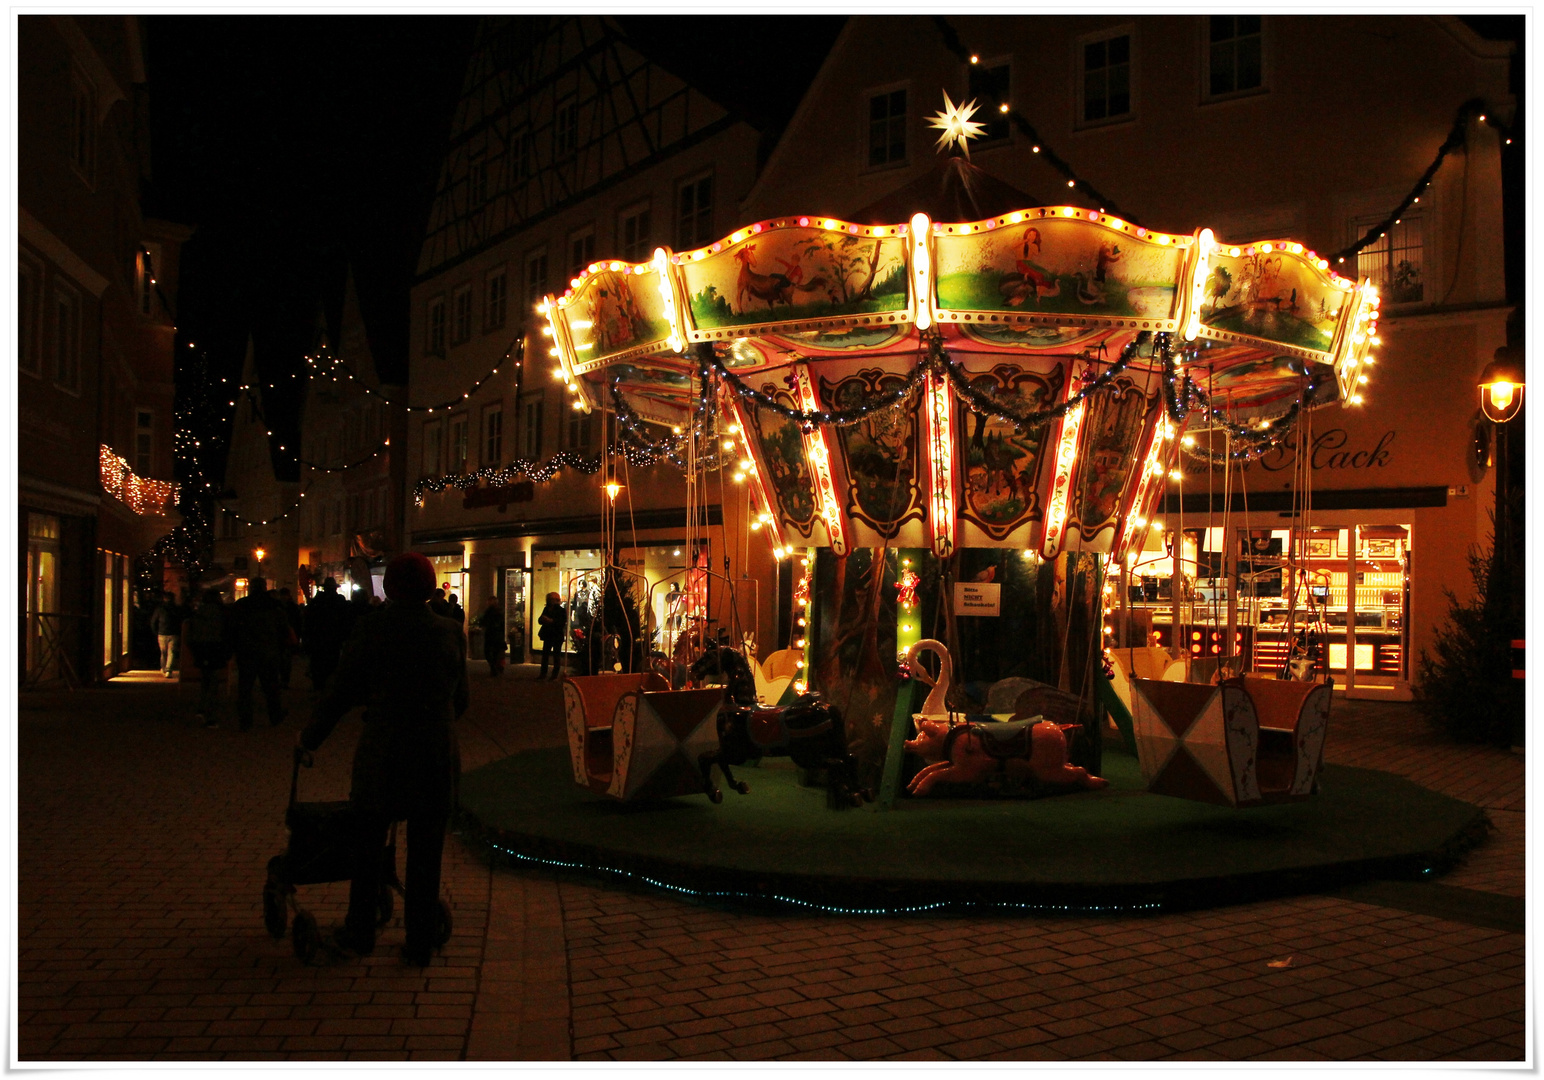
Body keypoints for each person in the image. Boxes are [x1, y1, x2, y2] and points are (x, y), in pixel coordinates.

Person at [298, 551, 468, 966]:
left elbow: (341, 692)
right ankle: (419, 942)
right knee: (426, 853)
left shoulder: (372, 629)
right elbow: (460, 700)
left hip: (385, 750)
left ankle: (360, 933)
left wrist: (311, 738)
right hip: (434, 752)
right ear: (430, 587)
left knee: (368, 844)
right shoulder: (449, 632)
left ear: (389, 588)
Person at [230, 578, 288, 730]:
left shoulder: (241, 605)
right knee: (271, 687)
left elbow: (232, 629)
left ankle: (245, 720)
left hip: (247, 652)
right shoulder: (274, 605)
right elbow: (283, 629)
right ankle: (275, 716)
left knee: (245, 688)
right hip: (268, 651)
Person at [186, 588, 231, 727]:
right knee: (213, 682)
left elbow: (190, 635)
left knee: (205, 680)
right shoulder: (222, 614)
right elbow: (227, 634)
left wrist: (194, 650)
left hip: (201, 649)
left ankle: (201, 708)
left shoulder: (198, 613)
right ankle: (210, 714)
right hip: (216, 649)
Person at [304, 577, 350, 691]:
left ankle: (319, 688)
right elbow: (345, 620)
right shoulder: (339, 601)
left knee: (318, 665)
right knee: (332, 664)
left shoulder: (317, 601)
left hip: (318, 638)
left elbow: (308, 620)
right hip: (334, 639)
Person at [151, 590, 187, 679]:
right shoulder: (177, 609)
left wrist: (156, 631)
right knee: (172, 652)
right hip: (174, 634)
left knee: (163, 652)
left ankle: (163, 668)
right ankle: (168, 670)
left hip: (162, 633)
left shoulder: (159, 609)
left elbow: (153, 622)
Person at [537, 591, 566, 680]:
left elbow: (561, 622)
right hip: (548, 634)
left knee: (556, 655)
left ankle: (554, 675)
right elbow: (540, 620)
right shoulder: (547, 609)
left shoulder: (561, 610)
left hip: (556, 635)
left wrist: (550, 621)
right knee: (545, 655)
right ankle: (543, 674)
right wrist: (543, 619)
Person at [277, 588, 302, 689]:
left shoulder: (278, 606)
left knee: (283, 660)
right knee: (285, 661)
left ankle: (283, 680)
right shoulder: (293, 608)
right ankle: (284, 680)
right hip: (287, 636)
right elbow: (298, 623)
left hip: (283, 637)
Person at [479, 596, 506, 676]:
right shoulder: (499, 612)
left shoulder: (489, 612)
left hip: (491, 634)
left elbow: (484, 622)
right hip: (497, 635)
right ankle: (496, 667)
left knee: (489, 652)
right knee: (495, 652)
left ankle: (494, 667)